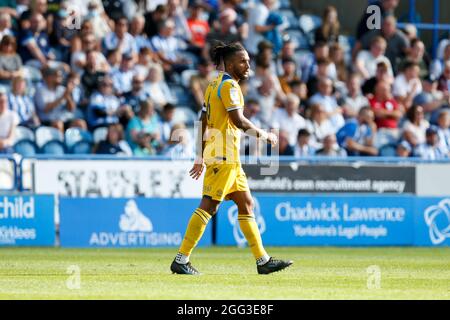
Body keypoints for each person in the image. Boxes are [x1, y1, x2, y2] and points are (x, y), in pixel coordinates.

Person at [170, 42, 293, 275]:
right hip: (223, 155)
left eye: (248, 60)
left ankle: (262, 261)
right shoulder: (229, 87)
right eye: (242, 60)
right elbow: (238, 121)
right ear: (228, 62)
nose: (247, 65)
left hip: (227, 157)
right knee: (209, 205)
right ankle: (181, 259)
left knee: (246, 203)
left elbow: (202, 119)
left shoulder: (213, 84)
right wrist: (265, 135)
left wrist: (200, 154)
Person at [0, 89, 19, 154]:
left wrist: (4, 142)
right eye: (1, 101)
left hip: (7, 148)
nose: (3, 104)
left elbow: (11, 138)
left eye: (5, 101)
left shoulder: (12, 115)